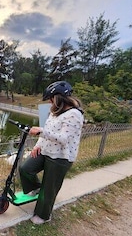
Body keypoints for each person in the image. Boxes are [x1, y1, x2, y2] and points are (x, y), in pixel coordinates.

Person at [19, 81, 84, 225]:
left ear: (58, 98)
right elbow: (48, 129)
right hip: (45, 150)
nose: (49, 102)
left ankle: (43, 215)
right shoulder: (54, 112)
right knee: (25, 169)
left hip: (61, 156)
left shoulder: (74, 114)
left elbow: (64, 138)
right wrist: (37, 145)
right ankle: (35, 188)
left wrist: (40, 131)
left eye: (50, 99)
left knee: (49, 187)